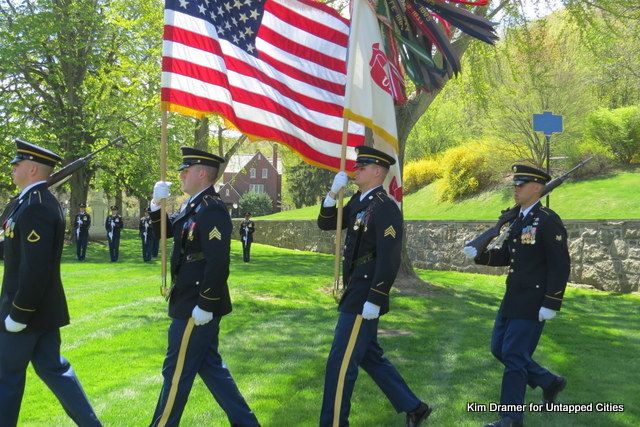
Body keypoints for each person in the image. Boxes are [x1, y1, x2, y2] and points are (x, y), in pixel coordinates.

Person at [317, 146, 431, 427]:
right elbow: (326, 224)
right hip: (354, 289)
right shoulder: (359, 200)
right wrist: (332, 194)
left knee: (340, 364)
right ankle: (414, 407)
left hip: (364, 295)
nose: (356, 170)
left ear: (378, 171)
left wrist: (376, 297)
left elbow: (390, 258)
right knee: (370, 356)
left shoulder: (386, 207)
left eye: (362, 167)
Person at [149, 146, 259, 427]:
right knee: (210, 368)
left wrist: (206, 303)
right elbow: (166, 232)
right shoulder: (193, 205)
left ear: (201, 173)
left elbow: (218, 261)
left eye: (185, 171)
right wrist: (155, 206)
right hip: (187, 298)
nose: (181, 176)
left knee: (176, 373)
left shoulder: (211, 210)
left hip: (195, 303)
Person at [0, 139, 101, 426]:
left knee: (6, 376)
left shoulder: (36, 207)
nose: (12, 168)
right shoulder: (29, 202)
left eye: (16, 164)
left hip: (25, 311)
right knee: (53, 369)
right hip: (41, 310)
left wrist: (18, 313)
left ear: (32, 169)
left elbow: (36, 269)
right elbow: (13, 247)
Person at [464, 164, 570, 427]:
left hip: (534, 301)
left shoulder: (547, 220)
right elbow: (508, 256)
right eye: (515, 184)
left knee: (513, 354)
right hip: (513, 297)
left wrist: (552, 301)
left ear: (537, 188)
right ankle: (549, 381)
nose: (516, 188)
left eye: (521, 184)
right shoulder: (518, 219)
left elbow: (560, 264)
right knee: (499, 349)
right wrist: (481, 254)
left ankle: (510, 418)